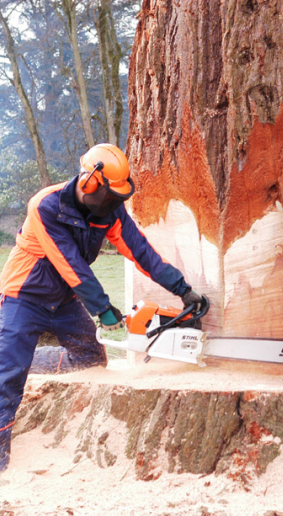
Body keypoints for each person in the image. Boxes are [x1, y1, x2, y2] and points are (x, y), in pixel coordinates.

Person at [0, 143, 203, 472]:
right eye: (109, 197)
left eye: (117, 200)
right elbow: (71, 265)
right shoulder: (46, 206)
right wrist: (103, 309)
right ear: (89, 182)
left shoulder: (108, 214)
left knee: (91, 357)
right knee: (8, 377)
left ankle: (31, 361)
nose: (112, 206)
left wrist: (183, 289)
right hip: (24, 295)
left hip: (64, 300)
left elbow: (141, 251)